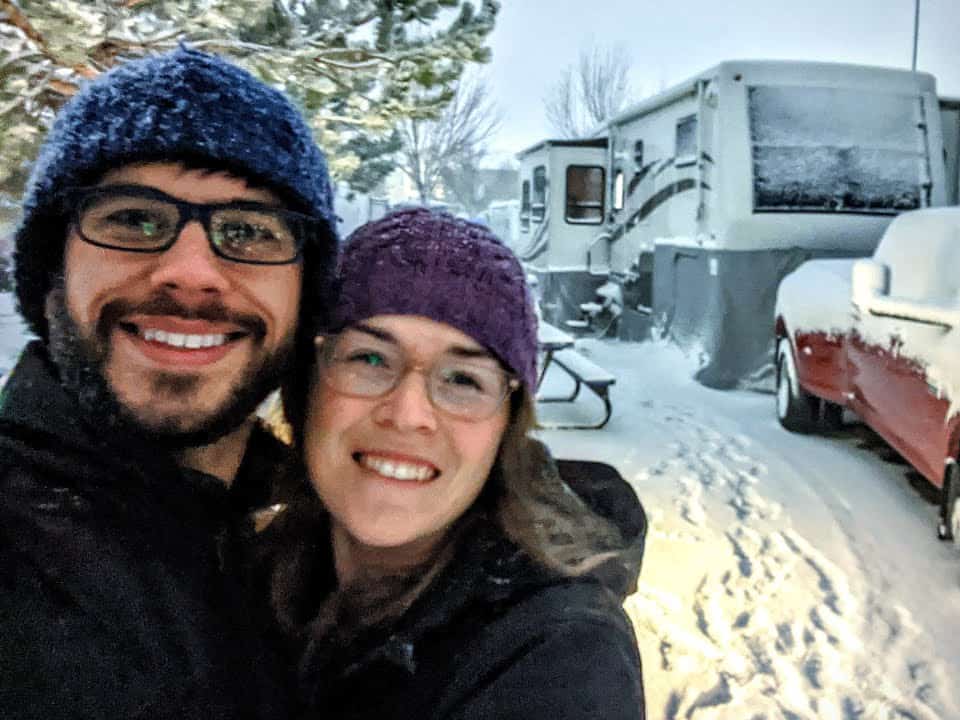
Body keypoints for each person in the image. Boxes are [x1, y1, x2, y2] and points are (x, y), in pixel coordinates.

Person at [0, 47, 339, 717]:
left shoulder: (319, 540)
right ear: (49, 278)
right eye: (132, 219)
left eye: (246, 231)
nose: (191, 271)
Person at [258, 208, 647, 719]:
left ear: (507, 427)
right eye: (369, 359)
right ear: (306, 387)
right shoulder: (239, 570)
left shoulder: (559, 653)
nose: (407, 414)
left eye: (463, 380)